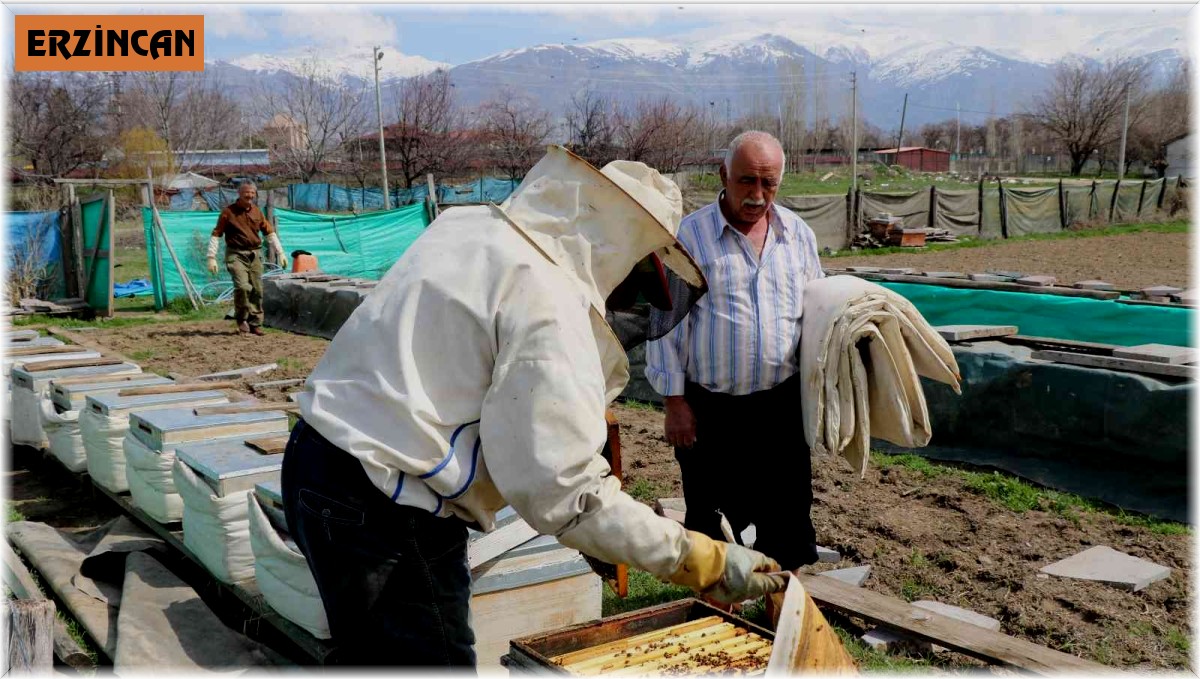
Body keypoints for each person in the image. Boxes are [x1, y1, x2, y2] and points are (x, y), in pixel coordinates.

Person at [280, 146, 788, 667]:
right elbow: (566, 492)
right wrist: (700, 559)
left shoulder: (470, 228)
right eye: (637, 276)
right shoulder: (548, 300)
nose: (626, 297)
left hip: (315, 459)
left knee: (368, 657)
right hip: (385, 501)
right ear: (617, 247)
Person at [645, 131, 826, 590]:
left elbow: (819, 314)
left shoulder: (797, 236)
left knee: (786, 519)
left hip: (781, 407)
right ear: (723, 175)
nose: (758, 196)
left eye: (770, 184)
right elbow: (666, 324)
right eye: (747, 182)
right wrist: (674, 402)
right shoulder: (690, 236)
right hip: (712, 410)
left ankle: (779, 616)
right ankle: (714, 613)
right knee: (711, 521)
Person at [206, 182, 286, 336]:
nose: (249, 196)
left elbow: (269, 233)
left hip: (255, 254)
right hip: (236, 254)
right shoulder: (228, 212)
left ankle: (255, 323)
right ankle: (242, 319)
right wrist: (211, 257)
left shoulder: (257, 212)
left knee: (257, 289)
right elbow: (217, 234)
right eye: (246, 193)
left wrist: (280, 252)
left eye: (252, 193)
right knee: (243, 287)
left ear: (255, 194)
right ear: (239, 193)